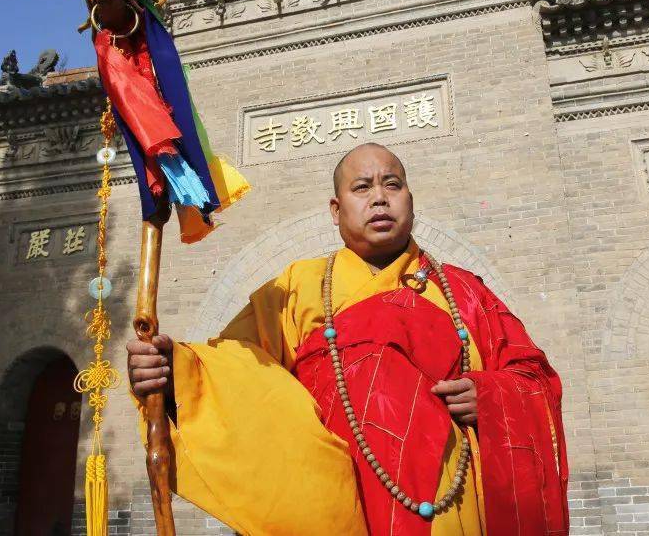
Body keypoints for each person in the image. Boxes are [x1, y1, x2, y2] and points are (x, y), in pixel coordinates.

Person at [127, 143, 568, 535]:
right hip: (339, 504)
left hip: (451, 504)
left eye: (392, 184)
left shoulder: (465, 291)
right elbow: (236, 369)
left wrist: (489, 397)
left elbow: (534, 377)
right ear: (336, 210)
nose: (379, 197)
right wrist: (172, 372)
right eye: (362, 188)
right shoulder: (299, 287)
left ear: (410, 200)